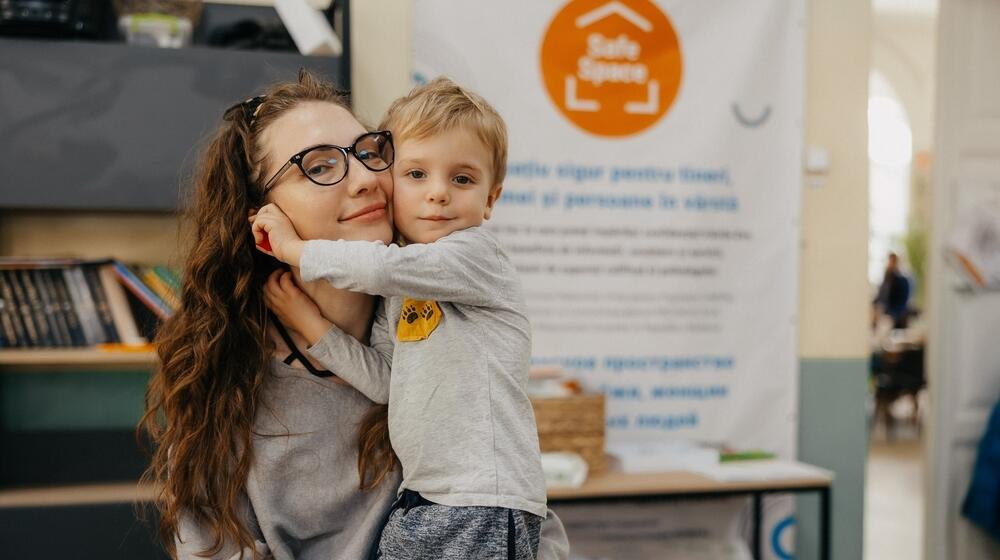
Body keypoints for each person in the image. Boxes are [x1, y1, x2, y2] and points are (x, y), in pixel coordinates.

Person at [139, 71, 569, 560]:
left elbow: (523, 518)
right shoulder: (227, 382)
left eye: (369, 153)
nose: (365, 179)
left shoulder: (449, 328)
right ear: (262, 215)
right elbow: (208, 544)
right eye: (319, 166)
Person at [251, 77, 546, 559]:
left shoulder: (475, 257)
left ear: (491, 199)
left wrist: (296, 250)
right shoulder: (403, 294)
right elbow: (390, 383)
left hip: (482, 500)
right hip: (428, 500)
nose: (437, 195)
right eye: (415, 175)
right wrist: (313, 327)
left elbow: (382, 267)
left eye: (463, 179)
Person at [873, 252, 911, 329]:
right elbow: (880, 297)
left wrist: (892, 315)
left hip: (896, 319)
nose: (890, 264)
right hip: (884, 317)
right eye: (889, 261)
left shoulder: (902, 281)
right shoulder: (886, 280)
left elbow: (903, 301)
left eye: (892, 261)